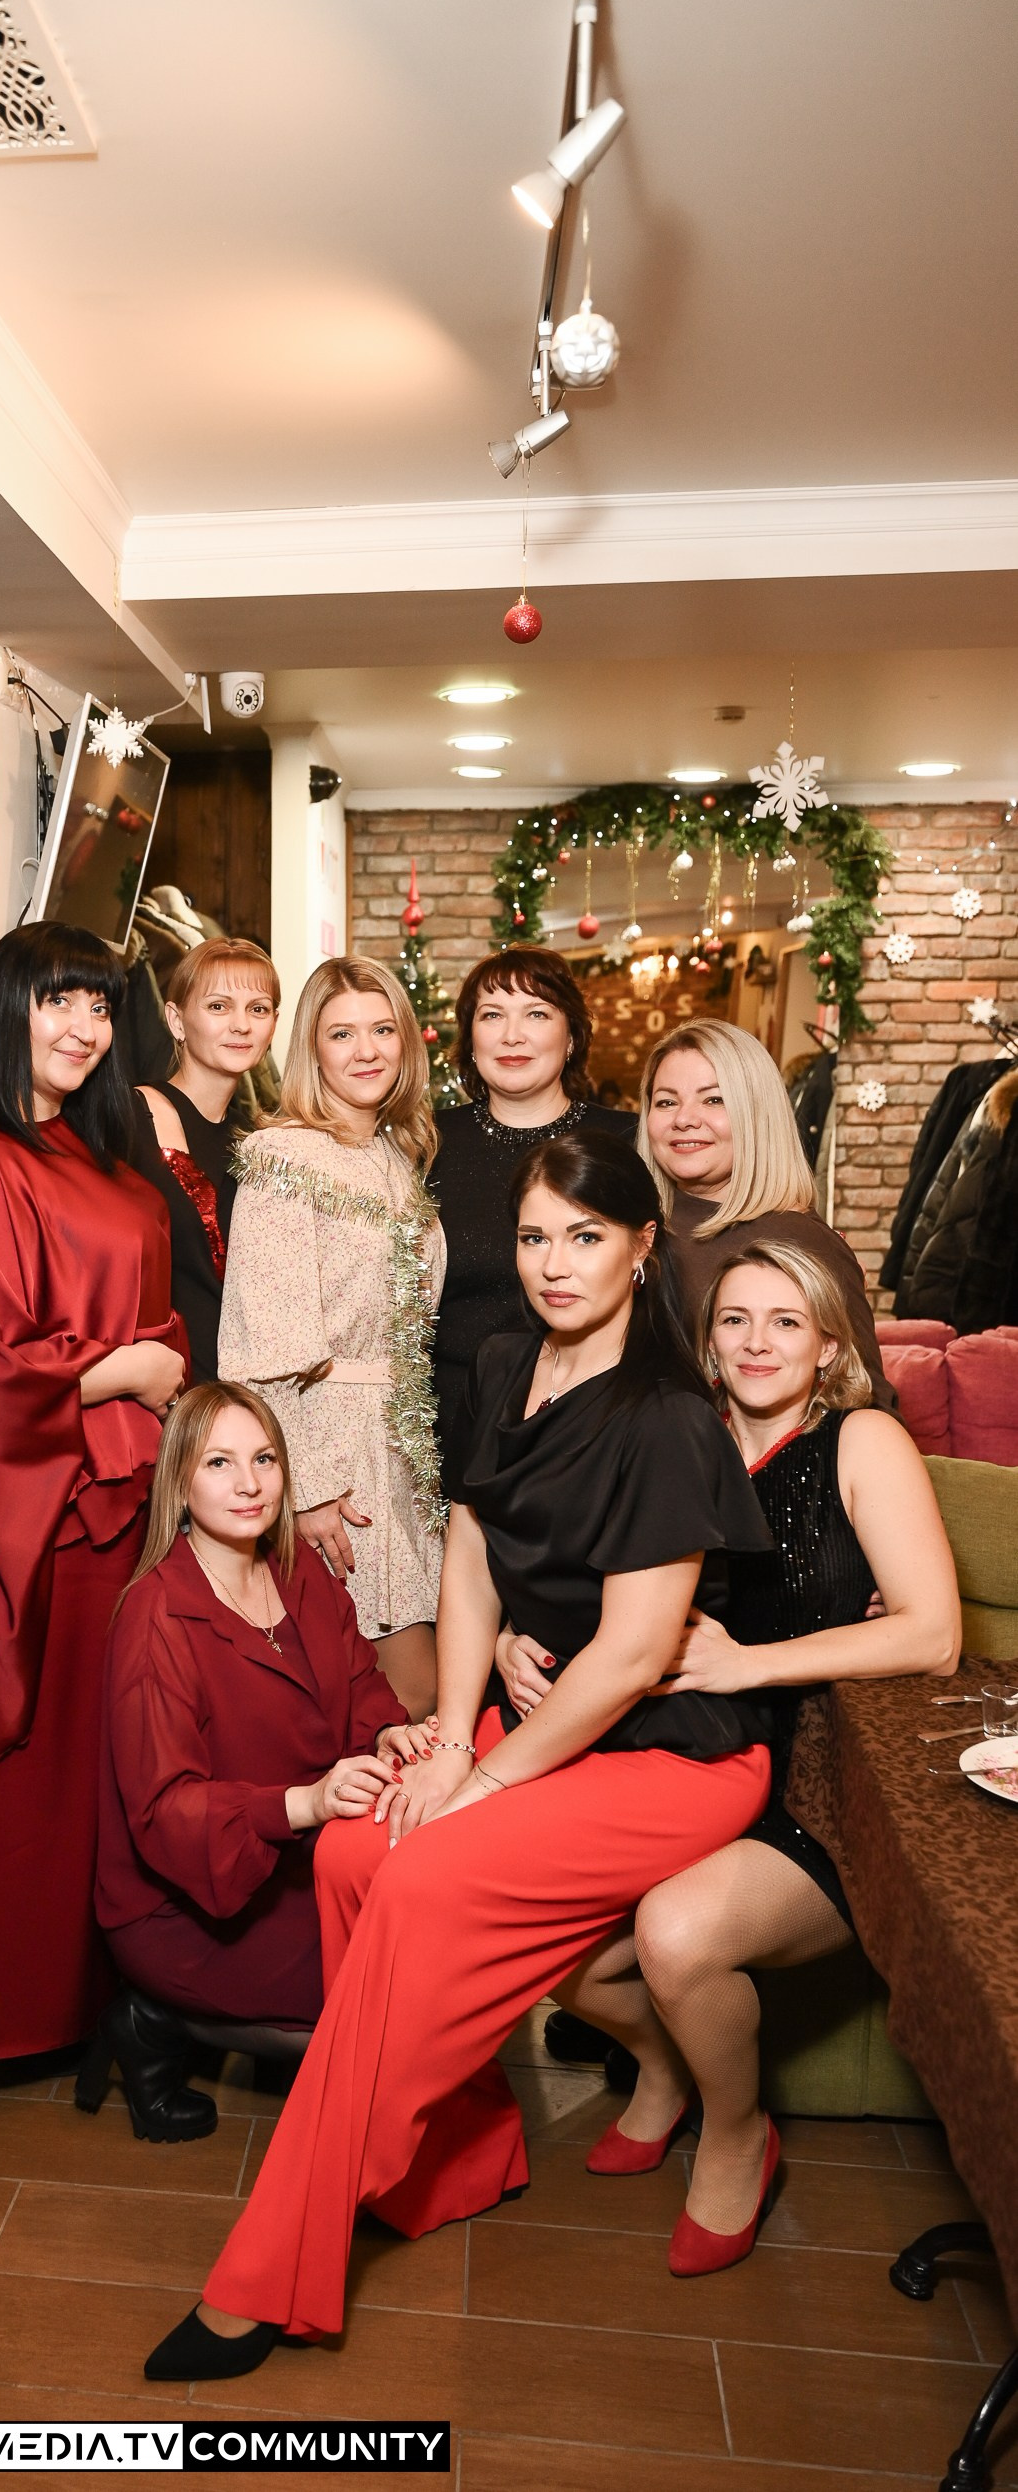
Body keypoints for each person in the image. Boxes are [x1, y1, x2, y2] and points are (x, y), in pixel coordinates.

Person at [144, 1129, 775, 2380]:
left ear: (642, 1248)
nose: (554, 1263)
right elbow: (474, 1554)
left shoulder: (666, 1419)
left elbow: (632, 1655)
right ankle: (456, 2156)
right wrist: (445, 1732)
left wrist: (478, 1776)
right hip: (537, 1724)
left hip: (671, 1755)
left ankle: (271, 2260)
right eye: (534, 1237)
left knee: (425, 1869)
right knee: (353, 1851)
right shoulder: (501, 1362)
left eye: (585, 1236)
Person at [531, 1240, 960, 2274]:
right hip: (685, 1758)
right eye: (734, 1320)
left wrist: (746, 1664)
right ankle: (660, 2065)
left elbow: (934, 1634)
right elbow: (580, 1587)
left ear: (827, 1347)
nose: (757, 1342)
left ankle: (734, 2131)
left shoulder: (860, 1439)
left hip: (823, 1781)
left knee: (674, 1934)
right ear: (708, 1342)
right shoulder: (676, 1437)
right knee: (540, 1925)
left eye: (785, 1321)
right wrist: (513, 1637)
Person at [0, 923, 188, 2081]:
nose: (82, 1027)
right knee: (35, 1758)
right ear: (7, 1009)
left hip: (125, 1492)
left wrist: (153, 1367)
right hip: (37, 1498)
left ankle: (100, 1998)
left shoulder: (98, 1150)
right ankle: (12, 2014)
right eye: (57, 1001)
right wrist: (128, 1367)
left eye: (99, 1005)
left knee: (105, 1757)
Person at [90, 1382, 425, 2136]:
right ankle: (153, 2020)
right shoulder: (155, 1617)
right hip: (187, 1905)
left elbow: (360, 1682)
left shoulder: (297, 1570)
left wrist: (385, 1733)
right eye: (219, 1463)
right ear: (178, 1481)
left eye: (264, 1459)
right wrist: (302, 1803)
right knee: (383, 2005)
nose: (249, 1483)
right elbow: (165, 1812)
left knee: (424, 1959)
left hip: (303, 1863)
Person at [218, 956, 445, 1718]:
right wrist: (305, 1489)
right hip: (333, 1456)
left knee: (401, 1700)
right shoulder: (283, 1156)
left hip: (403, 1451)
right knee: (404, 1692)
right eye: (341, 1034)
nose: (366, 1051)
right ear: (311, 1049)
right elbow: (263, 1345)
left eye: (382, 1030)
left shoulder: (395, 1156)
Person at [429, 946, 632, 1454]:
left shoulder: (625, 1142)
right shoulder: (425, 1143)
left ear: (571, 1037)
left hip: (592, 1419)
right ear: (470, 1038)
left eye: (536, 1014)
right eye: (492, 1015)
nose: (512, 1035)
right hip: (444, 1424)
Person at [638, 1020, 890, 1399]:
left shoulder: (804, 1242)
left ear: (757, 1114)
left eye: (714, 1099)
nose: (684, 1119)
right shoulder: (627, 1228)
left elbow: (864, 1396)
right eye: (666, 1102)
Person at [130, 939, 280, 1380]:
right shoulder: (129, 1116)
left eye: (258, 1009)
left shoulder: (262, 1142)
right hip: (157, 1383)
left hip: (242, 1386)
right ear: (176, 1021)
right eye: (219, 1007)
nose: (241, 1025)